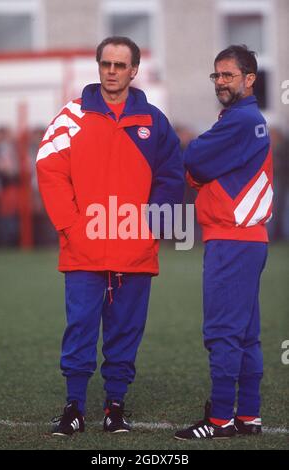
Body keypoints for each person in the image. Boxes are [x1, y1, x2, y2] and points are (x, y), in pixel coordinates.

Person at [36, 36, 184, 436]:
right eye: (106, 64)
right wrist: (69, 225)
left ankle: (115, 406)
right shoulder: (72, 116)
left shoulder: (154, 121)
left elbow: (172, 175)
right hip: (82, 248)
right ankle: (74, 407)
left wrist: (151, 226)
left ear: (134, 70)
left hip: (134, 251)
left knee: (125, 332)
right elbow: (48, 167)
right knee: (80, 327)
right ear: (99, 66)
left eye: (121, 65)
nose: (113, 71)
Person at [175, 45, 273, 440]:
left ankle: (220, 420)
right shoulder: (246, 119)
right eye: (217, 75)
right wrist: (201, 171)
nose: (221, 82)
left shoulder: (240, 120)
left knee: (222, 332)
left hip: (231, 239)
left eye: (228, 75)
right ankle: (248, 416)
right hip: (248, 240)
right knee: (246, 333)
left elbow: (194, 157)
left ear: (250, 79)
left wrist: (199, 172)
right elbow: (200, 165)